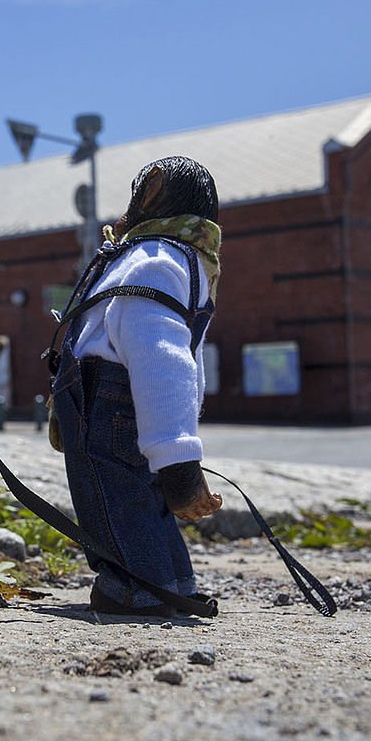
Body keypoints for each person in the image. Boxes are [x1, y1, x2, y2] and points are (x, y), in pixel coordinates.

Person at [51, 156, 223, 617]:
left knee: (113, 494)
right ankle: (172, 578)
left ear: (152, 189)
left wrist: (176, 456)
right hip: (107, 394)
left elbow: (163, 361)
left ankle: (136, 587)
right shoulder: (180, 259)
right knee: (141, 496)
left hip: (106, 397)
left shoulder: (155, 259)